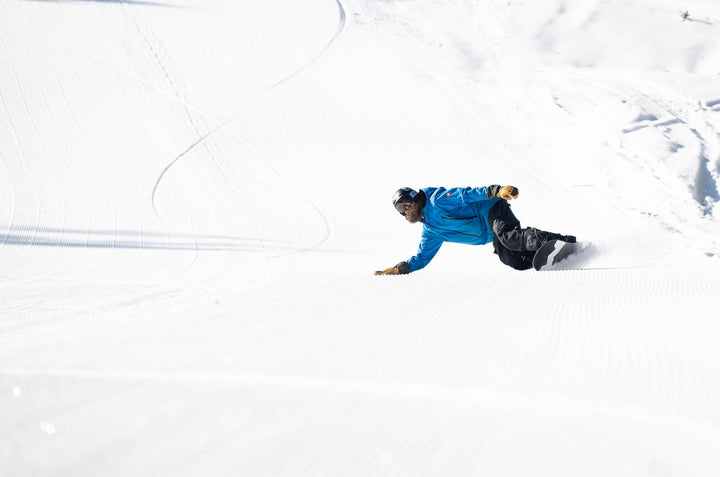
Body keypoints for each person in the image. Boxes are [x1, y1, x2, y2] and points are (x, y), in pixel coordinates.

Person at [374, 185, 576, 274]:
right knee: (511, 259)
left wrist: (496, 190)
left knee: (509, 237)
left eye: (407, 202)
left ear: (415, 197)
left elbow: (465, 194)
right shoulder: (431, 232)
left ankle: (562, 241)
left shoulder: (436, 200)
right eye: (401, 208)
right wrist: (401, 268)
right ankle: (549, 258)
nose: (406, 209)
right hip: (490, 233)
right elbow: (422, 257)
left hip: (490, 209)